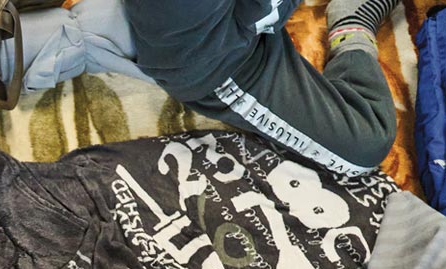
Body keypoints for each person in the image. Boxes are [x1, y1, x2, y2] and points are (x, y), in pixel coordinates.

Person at [122, 0, 403, 175]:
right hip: (224, 63)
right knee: (365, 143)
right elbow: (260, 16)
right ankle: (353, 23)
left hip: (237, 25)